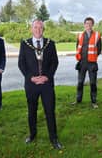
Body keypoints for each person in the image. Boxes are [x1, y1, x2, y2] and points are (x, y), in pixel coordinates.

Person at [18, 19, 62, 149]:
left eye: (40, 27)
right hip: (31, 85)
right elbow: (21, 64)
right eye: (35, 27)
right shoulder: (25, 44)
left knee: (50, 111)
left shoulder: (50, 44)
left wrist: (47, 77)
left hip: (47, 84)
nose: (38, 30)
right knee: (32, 111)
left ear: (43, 29)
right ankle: (32, 135)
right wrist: (31, 78)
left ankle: (54, 139)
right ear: (31, 29)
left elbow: (55, 63)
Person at [74, 17, 102, 108]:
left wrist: (93, 57)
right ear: (84, 24)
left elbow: (99, 49)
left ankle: (94, 102)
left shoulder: (97, 35)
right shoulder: (80, 35)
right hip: (82, 63)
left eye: (90, 24)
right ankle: (78, 100)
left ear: (92, 25)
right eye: (86, 23)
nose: (88, 25)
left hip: (92, 63)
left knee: (93, 83)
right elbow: (77, 47)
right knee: (80, 82)